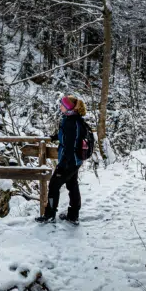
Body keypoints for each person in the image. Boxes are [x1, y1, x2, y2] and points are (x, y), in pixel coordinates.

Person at [36, 94, 88, 224]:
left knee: (54, 186)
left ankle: (49, 215)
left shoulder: (71, 122)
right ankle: (73, 215)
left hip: (69, 162)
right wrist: (54, 137)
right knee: (72, 186)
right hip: (75, 161)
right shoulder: (73, 119)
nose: (60, 106)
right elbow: (67, 137)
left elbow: (70, 146)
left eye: (62, 105)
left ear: (68, 107)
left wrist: (63, 164)